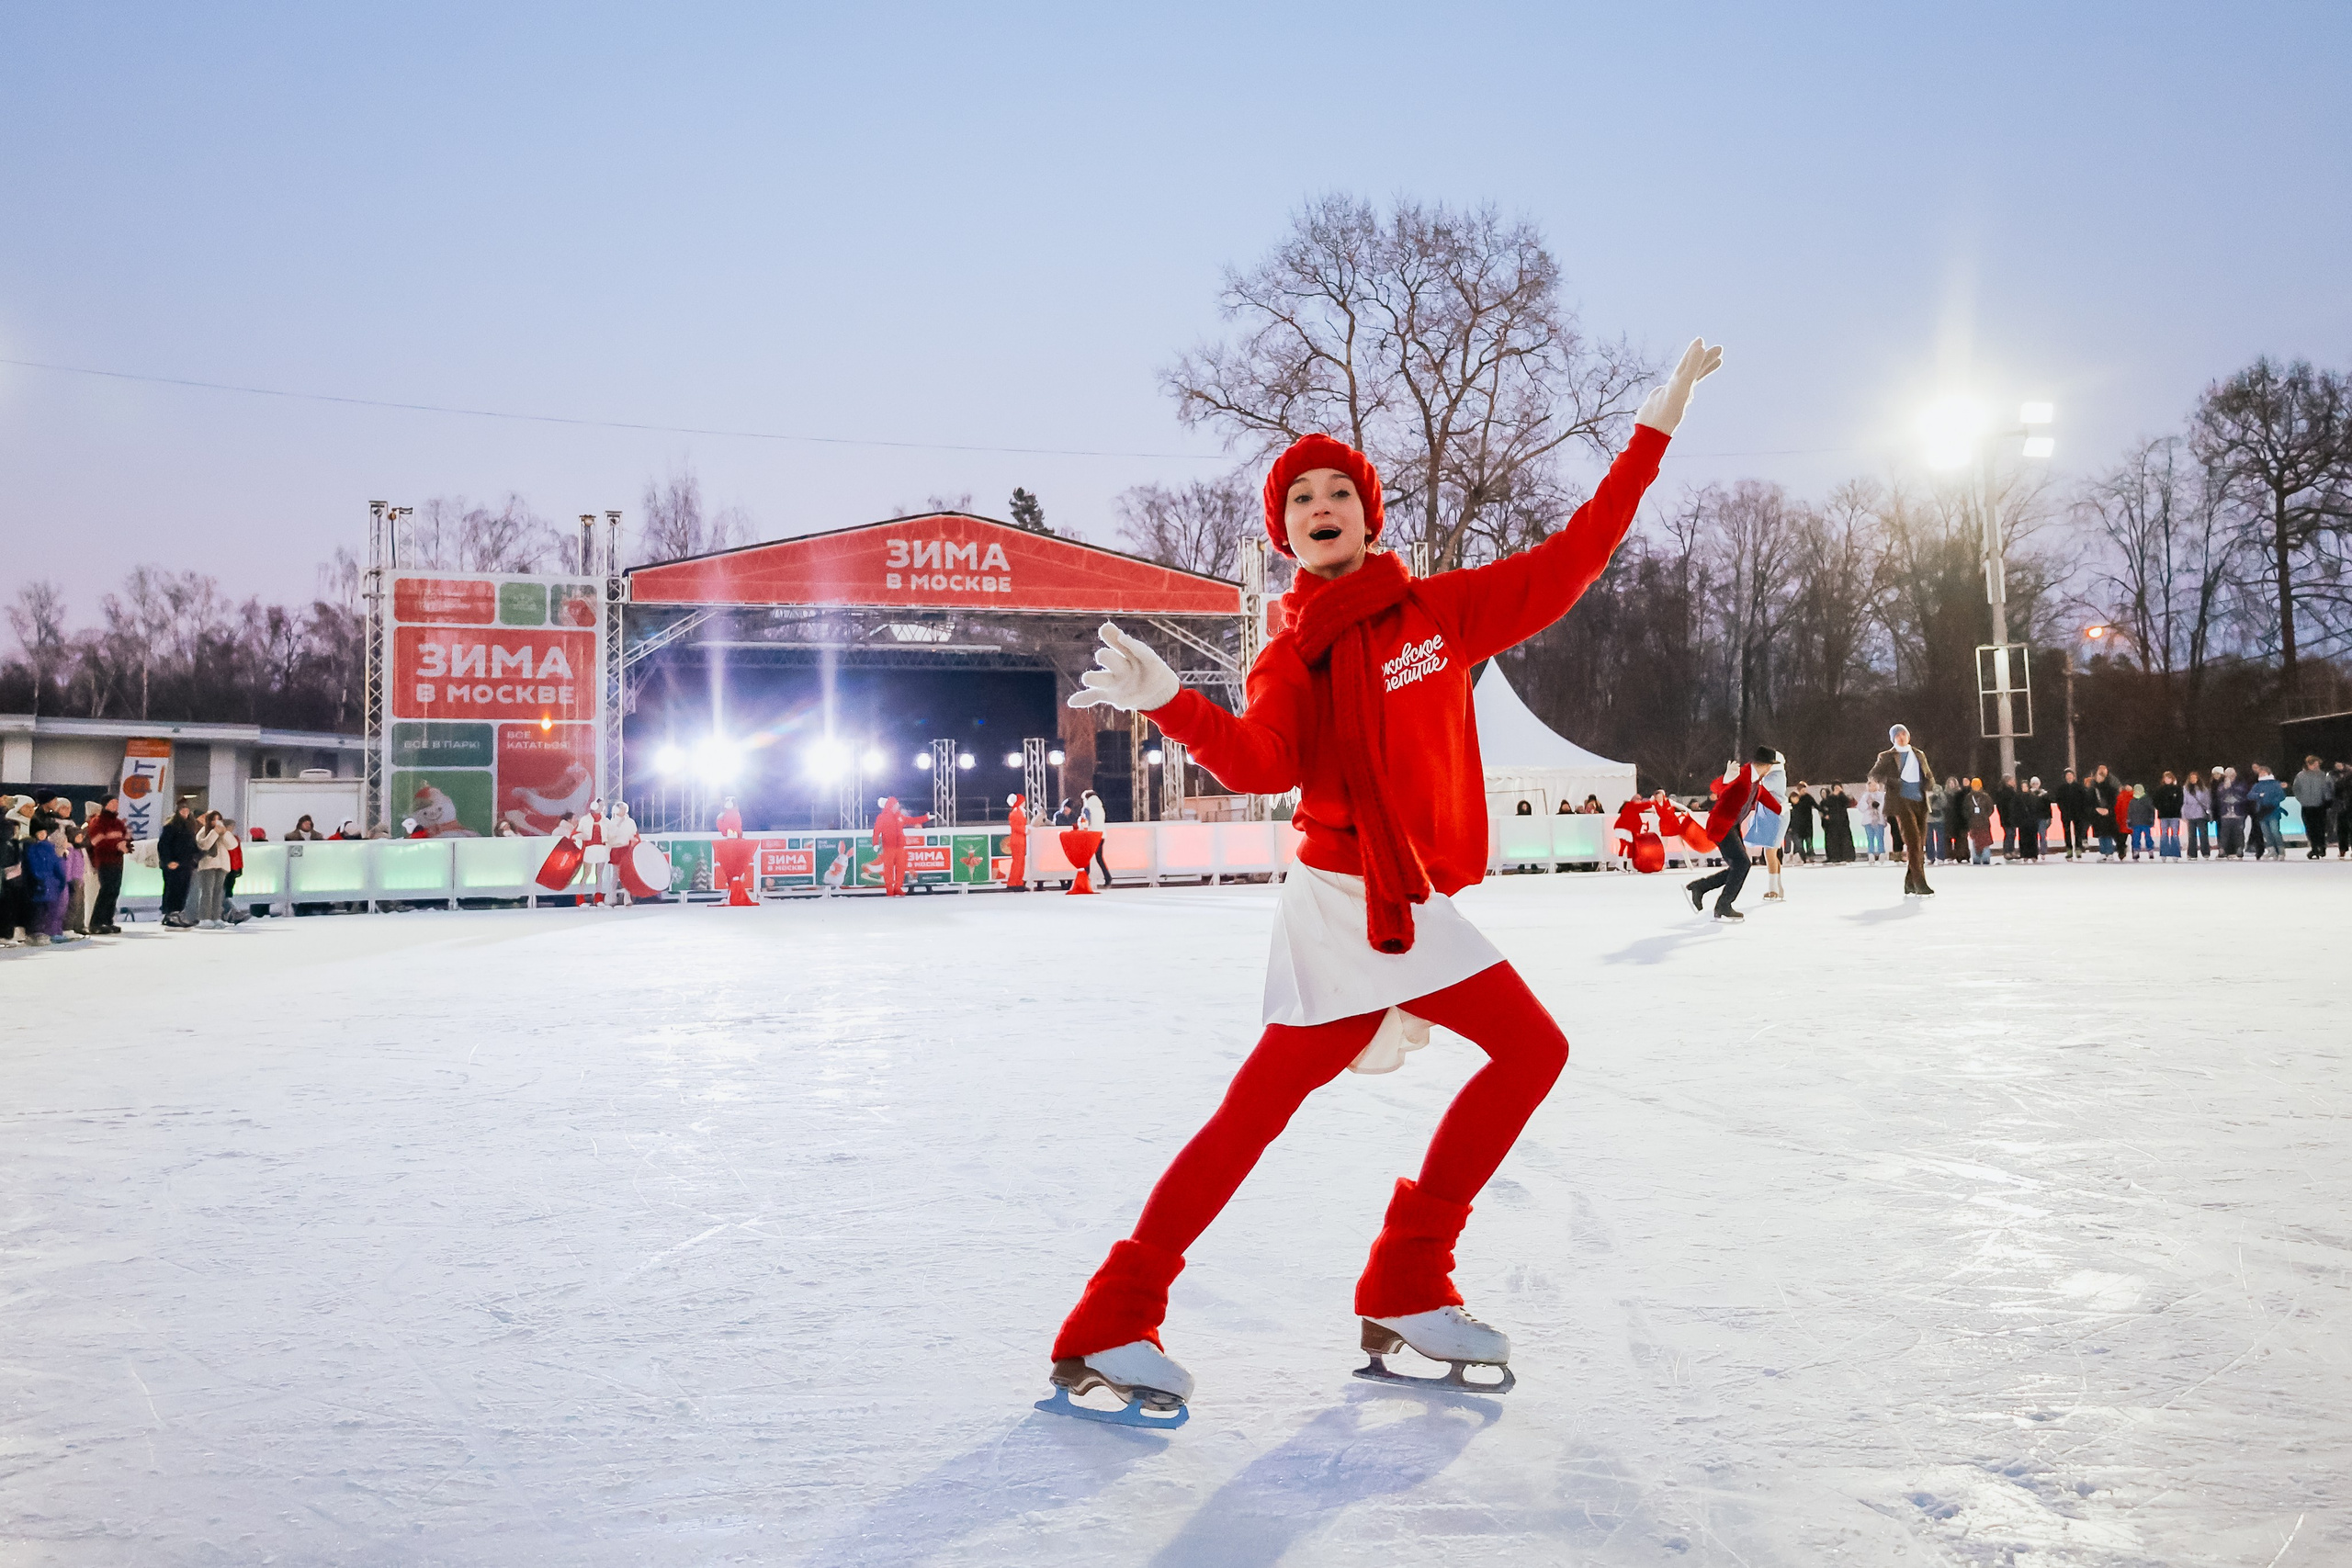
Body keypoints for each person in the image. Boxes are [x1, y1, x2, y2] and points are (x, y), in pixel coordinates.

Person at [1043, 338, 1722, 1420]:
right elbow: (1267, 763)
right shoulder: (1287, 655)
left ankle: (1391, 1280)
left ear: (1370, 514)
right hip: (1344, 904)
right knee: (1258, 1114)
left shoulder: (1438, 616)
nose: (1320, 507)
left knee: (1511, 1055)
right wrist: (1170, 696)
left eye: (1338, 492)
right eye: (1299, 498)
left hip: (1414, 901)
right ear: (1285, 531)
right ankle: (1134, 1313)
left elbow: (1577, 552)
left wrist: (1652, 430)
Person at [1686, 749, 1781, 921]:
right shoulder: (1741, 774)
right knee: (1742, 864)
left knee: (1738, 866)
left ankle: (1700, 887)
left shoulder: (1755, 780)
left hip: (1731, 826)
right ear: (1767, 766)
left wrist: (1779, 809)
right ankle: (1723, 905)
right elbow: (1716, 788)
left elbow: (1761, 795)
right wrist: (1725, 780)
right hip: (1721, 825)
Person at [1867, 726, 1938, 896]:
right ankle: (1920, 883)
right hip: (1901, 802)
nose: (1901, 737)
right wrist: (1892, 782)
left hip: (1920, 801)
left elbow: (1927, 774)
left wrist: (1929, 782)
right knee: (1913, 842)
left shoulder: (1918, 754)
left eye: (1904, 733)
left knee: (1919, 844)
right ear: (1893, 739)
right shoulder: (1886, 756)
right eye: (1897, 735)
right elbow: (1874, 774)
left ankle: (1910, 882)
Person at [81, 796, 128, 933]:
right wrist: (117, 846)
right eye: (112, 803)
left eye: (117, 803)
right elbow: (97, 842)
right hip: (105, 860)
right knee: (106, 890)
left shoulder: (118, 822)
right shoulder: (98, 821)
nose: (115, 805)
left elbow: (125, 837)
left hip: (117, 860)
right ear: (105, 805)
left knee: (115, 890)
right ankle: (96, 922)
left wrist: (126, 845)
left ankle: (108, 920)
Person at [1748, 750, 1791, 897]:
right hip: (1772, 815)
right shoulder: (1776, 775)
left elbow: (1760, 789)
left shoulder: (1776, 776)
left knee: (1770, 851)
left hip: (1776, 816)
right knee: (1771, 851)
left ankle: (1774, 889)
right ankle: (1777, 887)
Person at [870, 795, 930, 897]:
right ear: (891, 805)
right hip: (889, 847)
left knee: (901, 868)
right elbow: (877, 831)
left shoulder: (899, 816)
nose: (898, 806)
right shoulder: (882, 817)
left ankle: (897, 888)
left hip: (900, 847)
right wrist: (875, 843)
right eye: (896, 805)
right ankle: (889, 890)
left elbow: (911, 820)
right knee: (888, 869)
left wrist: (925, 818)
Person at [158, 800, 201, 928]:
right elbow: (163, 845)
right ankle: (170, 913)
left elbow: (192, 846)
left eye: (187, 810)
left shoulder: (190, 827)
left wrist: (197, 857)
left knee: (183, 889)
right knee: (173, 889)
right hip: (174, 864)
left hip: (185, 864)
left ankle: (178, 912)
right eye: (183, 810)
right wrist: (168, 861)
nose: (185, 812)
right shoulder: (171, 826)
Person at [191, 811, 236, 929]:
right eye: (213, 819)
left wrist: (224, 833)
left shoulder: (224, 832)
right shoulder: (203, 832)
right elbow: (204, 845)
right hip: (207, 865)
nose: (215, 822)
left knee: (218, 892)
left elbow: (232, 845)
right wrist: (214, 832)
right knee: (207, 892)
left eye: (218, 819)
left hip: (222, 865)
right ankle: (204, 917)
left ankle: (216, 917)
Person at [2291, 754, 2334, 860]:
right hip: (2306, 806)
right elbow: (2296, 789)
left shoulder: (2322, 775)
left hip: (2320, 805)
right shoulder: (2300, 776)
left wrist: (2327, 800)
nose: (2316, 766)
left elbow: (2327, 789)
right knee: (2310, 828)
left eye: (2317, 764)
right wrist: (2302, 799)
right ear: (2309, 765)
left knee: (2320, 828)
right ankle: (2315, 847)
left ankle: (2321, 847)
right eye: (2314, 764)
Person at [2246, 764, 2288, 859]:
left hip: (2273, 811)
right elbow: (2250, 795)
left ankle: (2281, 851)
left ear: (2268, 773)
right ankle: (2271, 851)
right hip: (2262, 812)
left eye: (2263, 772)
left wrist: (2272, 803)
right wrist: (2259, 795)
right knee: (2266, 833)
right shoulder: (2257, 785)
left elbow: (2281, 796)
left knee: (2275, 831)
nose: (2261, 774)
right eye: (2260, 773)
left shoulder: (2275, 784)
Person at [2051, 769, 2087, 860]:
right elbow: (2058, 800)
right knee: (2067, 832)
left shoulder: (2079, 787)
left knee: (2078, 831)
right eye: (2067, 776)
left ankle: (2078, 848)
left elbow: (2084, 800)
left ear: (2074, 777)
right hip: (2066, 813)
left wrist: (2082, 810)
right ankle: (2069, 849)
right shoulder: (2061, 788)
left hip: (2078, 813)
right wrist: (2063, 810)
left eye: (2071, 776)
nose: (2069, 777)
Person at [2086, 765, 2122, 860]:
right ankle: (2103, 852)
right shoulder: (2092, 789)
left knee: (2108, 833)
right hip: (2097, 814)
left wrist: (2108, 810)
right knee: (2101, 834)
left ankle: (2109, 852)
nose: (2099, 778)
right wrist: (2096, 809)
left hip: (2108, 814)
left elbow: (2114, 800)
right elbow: (2089, 801)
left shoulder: (2110, 788)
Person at [1080, 788, 1114, 886]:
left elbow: (1086, 823)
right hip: (1101, 835)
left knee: (1086, 858)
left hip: (1091, 835)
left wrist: (1080, 822)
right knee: (1099, 857)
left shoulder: (1087, 808)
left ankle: (1085, 879)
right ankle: (1108, 877)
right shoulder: (1100, 808)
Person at [1819, 783, 1856, 863]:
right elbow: (1825, 806)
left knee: (1846, 839)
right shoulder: (1830, 798)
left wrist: (1841, 793)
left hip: (1843, 822)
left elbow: (1849, 803)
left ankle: (1847, 856)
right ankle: (1834, 856)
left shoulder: (1843, 797)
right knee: (1833, 840)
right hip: (1833, 823)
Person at [2152, 772, 2186, 859]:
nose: (2167, 780)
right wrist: (2161, 808)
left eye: (2169, 778)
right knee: (2164, 834)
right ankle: (2164, 853)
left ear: (2172, 779)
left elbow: (2180, 801)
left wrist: (2175, 808)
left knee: (2175, 834)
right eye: (2166, 778)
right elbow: (2155, 801)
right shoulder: (2160, 789)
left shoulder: (2177, 789)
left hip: (2174, 815)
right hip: (2163, 815)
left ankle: (2175, 853)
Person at [2215, 768, 2246, 858]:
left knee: (2239, 833)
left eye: (2231, 774)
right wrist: (2225, 788)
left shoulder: (2240, 784)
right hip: (2225, 813)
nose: (2229, 776)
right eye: (2227, 774)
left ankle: (2239, 849)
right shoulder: (2222, 785)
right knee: (2224, 833)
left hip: (2238, 813)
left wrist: (2231, 788)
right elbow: (2219, 795)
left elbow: (2244, 794)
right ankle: (2222, 849)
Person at [1783, 782, 1816, 864]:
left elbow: (1815, 805)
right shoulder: (1790, 807)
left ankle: (1800, 857)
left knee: (1800, 843)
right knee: (1789, 843)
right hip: (1790, 827)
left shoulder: (1804, 802)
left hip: (1800, 827)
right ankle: (1788, 857)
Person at [1964, 778, 1996, 864]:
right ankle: (1976, 859)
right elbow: (1965, 809)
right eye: (1974, 786)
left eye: (1977, 786)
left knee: (1985, 841)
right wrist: (1970, 816)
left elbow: (1991, 808)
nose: (1976, 787)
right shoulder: (1969, 798)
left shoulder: (1986, 797)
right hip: (1973, 823)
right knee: (1975, 841)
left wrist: (1985, 815)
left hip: (1984, 823)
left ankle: (1986, 858)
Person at [1005, 791, 1031, 890]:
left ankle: (1018, 882)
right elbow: (1016, 826)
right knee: (1017, 862)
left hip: (1019, 840)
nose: (1025, 803)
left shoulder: (1018, 812)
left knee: (1020, 862)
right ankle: (1013, 883)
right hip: (1017, 841)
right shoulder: (1016, 812)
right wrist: (1025, 831)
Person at [2182, 770, 2211, 858]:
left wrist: (2208, 810)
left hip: (2201, 814)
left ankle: (2205, 852)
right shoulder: (2186, 789)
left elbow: (2207, 801)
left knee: (2203, 834)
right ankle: (2192, 853)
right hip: (2190, 814)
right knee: (2191, 835)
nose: (2193, 779)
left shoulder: (2203, 789)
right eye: (2192, 778)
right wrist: (2184, 814)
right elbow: (2184, 802)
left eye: (2195, 778)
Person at [1859, 781, 1887, 863]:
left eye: (1874, 785)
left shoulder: (1881, 795)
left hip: (1879, 819)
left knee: (1880, 837)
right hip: (1868, 819)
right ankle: (1871, 854)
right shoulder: (1865, 796)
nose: (1872, 787)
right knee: (1870, 838)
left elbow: (1884, 806)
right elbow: (1861, 807)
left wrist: (1878, 805)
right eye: (1870, 785)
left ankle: (1881, 853)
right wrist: (1868, 805)